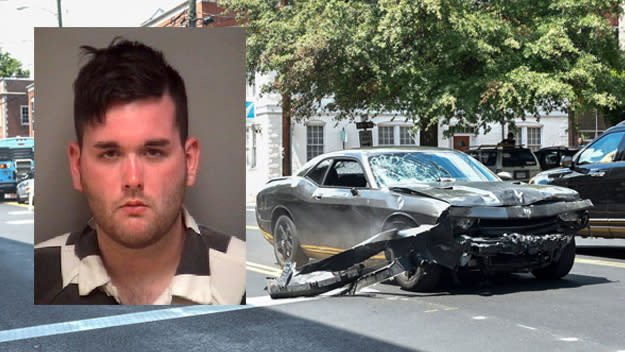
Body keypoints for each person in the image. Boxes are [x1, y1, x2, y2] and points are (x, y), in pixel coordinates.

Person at [34, 39, 245, 305]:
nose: (133, 180)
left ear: (190, 161)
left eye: (153, 152)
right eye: (110, 154)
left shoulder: (242, 280)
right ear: (77, 167)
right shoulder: (32, 277)